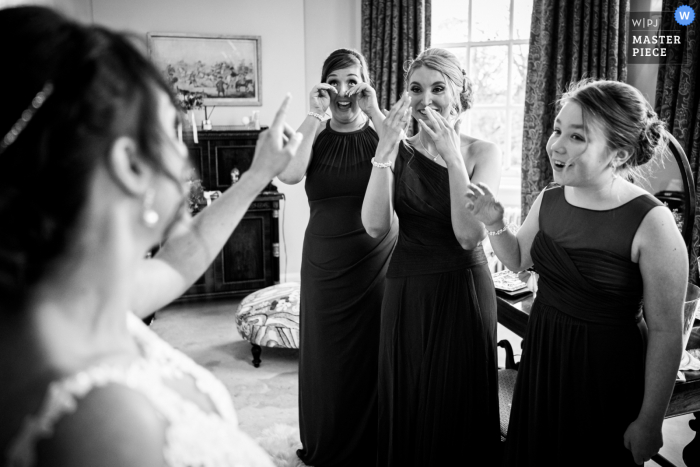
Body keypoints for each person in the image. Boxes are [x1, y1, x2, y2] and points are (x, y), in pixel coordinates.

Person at [0, 6, 302, 467]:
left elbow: (180, 259)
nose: (185, 158)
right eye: (172, 131)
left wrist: (260, 172)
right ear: (131, 165)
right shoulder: (102, 425)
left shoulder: (72, 302)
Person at [466, 79, 687, 466]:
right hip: (544, 357)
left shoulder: (653, 222)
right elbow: (517, 259)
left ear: (618, 154)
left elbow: (668, 332)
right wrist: (494, 223)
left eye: (578, 137)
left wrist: (650, 421)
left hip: (605, 373)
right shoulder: (549, 199)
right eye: (557, 130)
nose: (557, 145)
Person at [361, 47, 503, 466]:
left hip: (462, 289)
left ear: (459, 94)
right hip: (406, 289)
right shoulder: (398, 149)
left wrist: (452, 156)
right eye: (416, 89)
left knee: (455, 401)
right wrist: (384, 151)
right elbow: (374, 226)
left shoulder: (483, 153)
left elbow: (468, 235)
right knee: (407, 395)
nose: (427, 99)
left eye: (438, 88)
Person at [276, 48, 398, 466]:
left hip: (376, 262)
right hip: (324, 263)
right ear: (325, 86)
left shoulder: (380, 132)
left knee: (372, 354)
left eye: (353, 81)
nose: (344, 92)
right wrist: (313, 115)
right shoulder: (315, 133)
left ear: (364, 84)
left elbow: (410, 162)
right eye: (336, 82)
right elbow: (289, 175)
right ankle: (327, 443)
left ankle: (373, 446)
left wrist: (376, 111)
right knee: (326, 360)